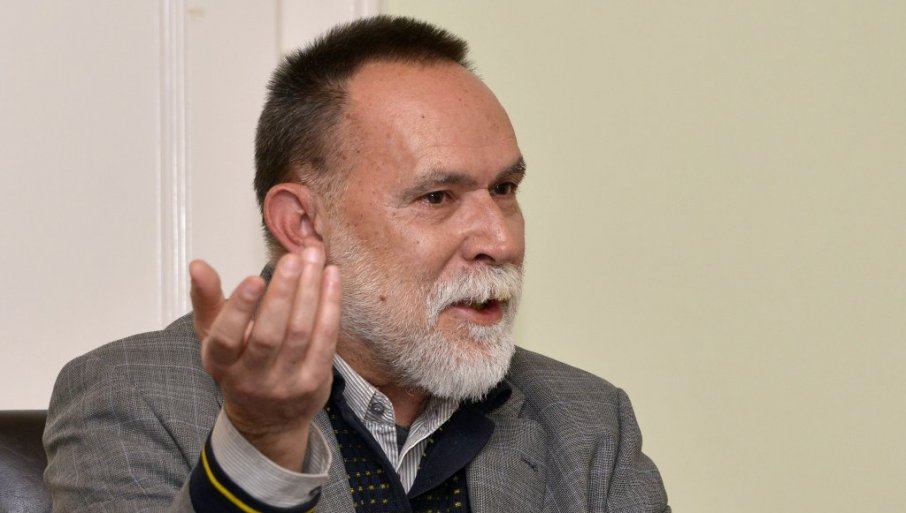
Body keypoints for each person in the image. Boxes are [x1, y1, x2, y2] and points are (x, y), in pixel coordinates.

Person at [43, 15, 670, 513]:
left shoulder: (589, 421)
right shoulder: (136, 398)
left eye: (504, 189)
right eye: (437, 197)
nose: (500, 241)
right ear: (302, 224)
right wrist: (259, 447)